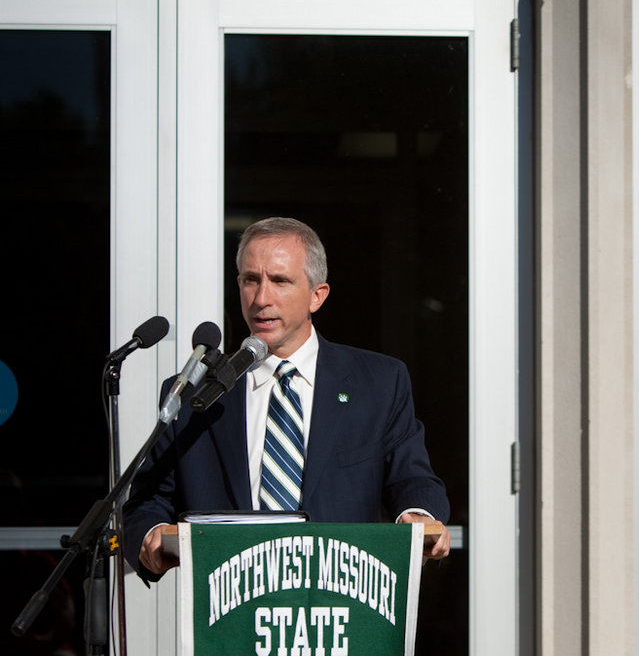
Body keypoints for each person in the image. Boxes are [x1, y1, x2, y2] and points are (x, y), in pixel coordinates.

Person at [122, 217, 451, 582]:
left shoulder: (378, 382)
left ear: (317, 295)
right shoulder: (194, 393)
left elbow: (412, 477)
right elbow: (146, 502)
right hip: (230, 612)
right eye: (251, 280)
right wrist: (150, 535)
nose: (261, 299)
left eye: (279, 281)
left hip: (340, 607)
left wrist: (417, 514)